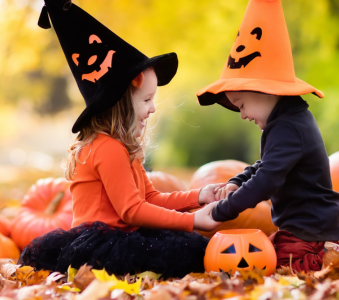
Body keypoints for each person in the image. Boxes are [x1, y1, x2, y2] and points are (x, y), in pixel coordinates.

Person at [18, 0, 222, 278]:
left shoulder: (121, 147)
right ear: (121, 104)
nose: (152, 108)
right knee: (188, 252)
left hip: (123, 236)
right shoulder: (107, 147)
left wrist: (198, 196)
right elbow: (131, 211)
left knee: (190, 248)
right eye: (147, 99)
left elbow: (150, 197)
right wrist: (192, 220)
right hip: (102, 247)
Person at [196, 0, 339, 273]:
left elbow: (267, 179)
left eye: (241, 105)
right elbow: (265, 166)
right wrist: (236, 182)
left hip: (310, 232)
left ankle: (324, 255)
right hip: (302, 228)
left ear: (266, 90)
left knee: (269, 264)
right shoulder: (286, 121)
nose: (241, 114)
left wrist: (222, 211)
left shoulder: (290, 127)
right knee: (263, 253)